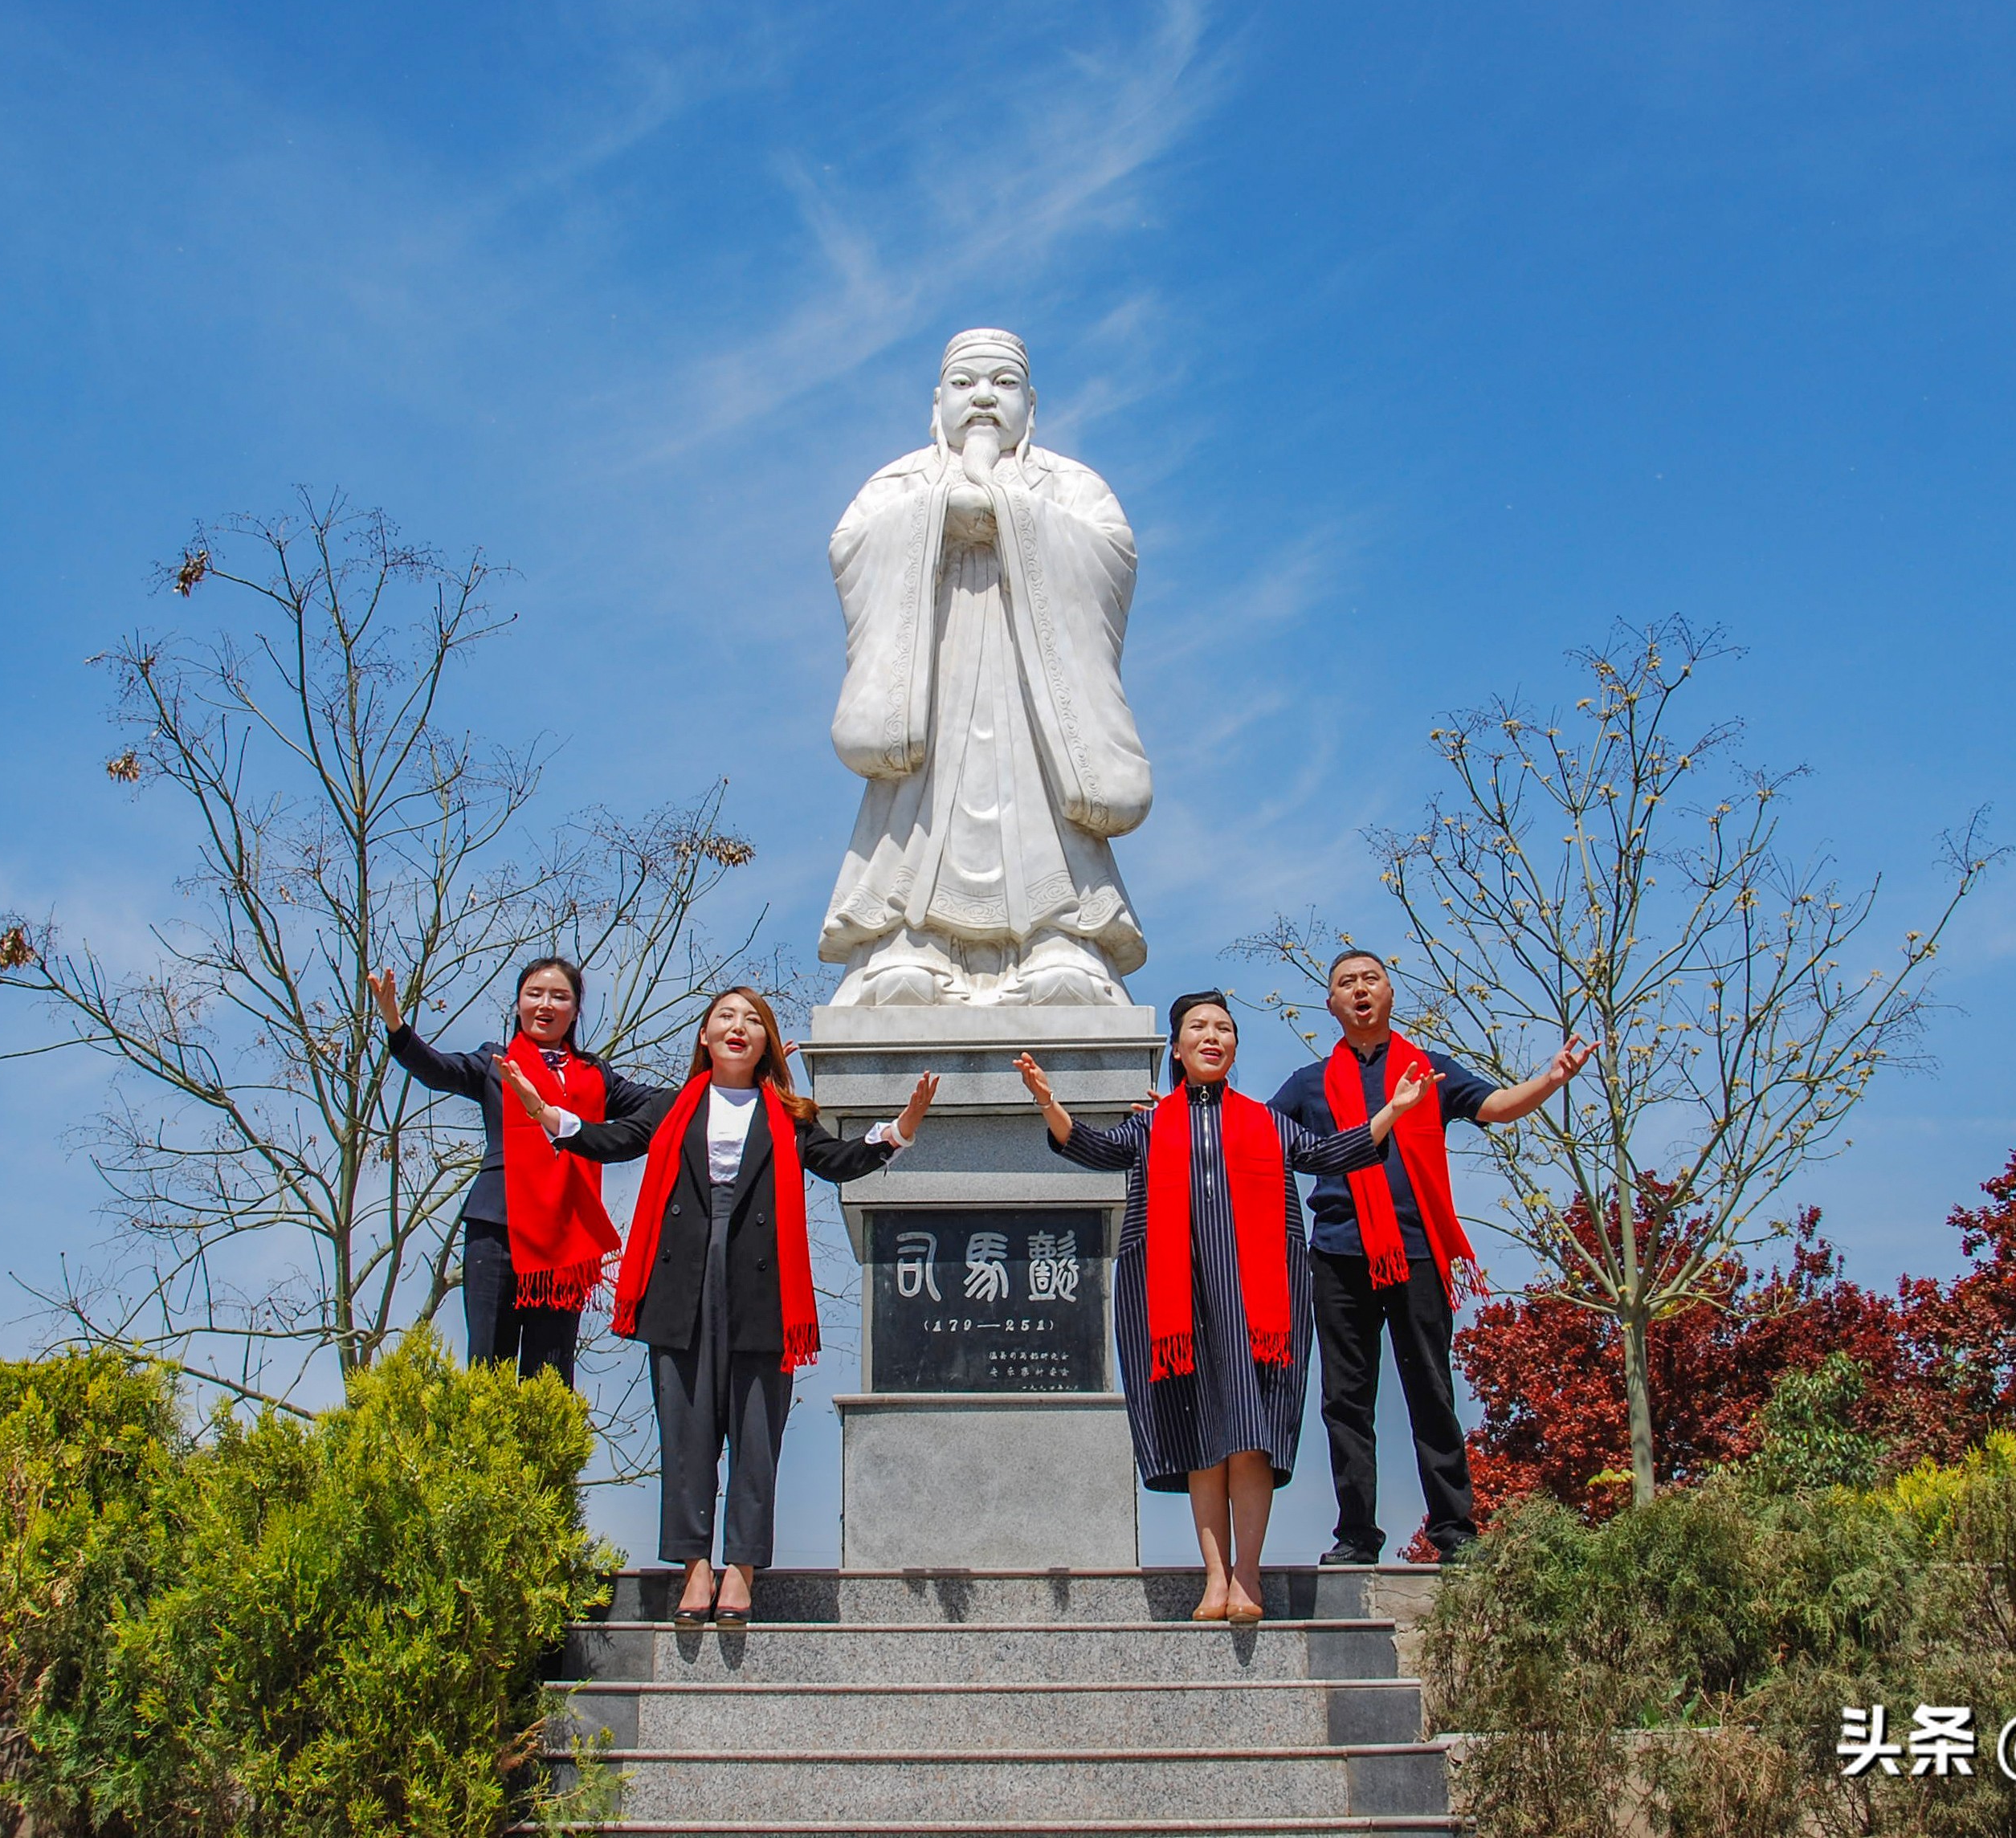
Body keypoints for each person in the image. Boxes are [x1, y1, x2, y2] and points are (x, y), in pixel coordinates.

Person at [508, 985, 940, 1624]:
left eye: (751, 1021)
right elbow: (612, 1140)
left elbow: (836, 1161)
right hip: (679, 1281)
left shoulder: (788, 1115)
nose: (737, 1028)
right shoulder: (671, 1106)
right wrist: (548, 1114)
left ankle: (740, 1567)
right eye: (724, 1018)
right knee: (684, 1432)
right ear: (705, 1038)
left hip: (762, 1283)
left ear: (765, 1041)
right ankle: (693, 1566)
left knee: (756, 1432)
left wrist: (899, 1130)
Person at [1015, 990, 1431, 1623]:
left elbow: (1326, 1156)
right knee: (1203, 1438)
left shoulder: (1266, 1121)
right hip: (1177, 1301)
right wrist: (1048, 1103)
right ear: (1176, 1051)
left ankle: (1247, 1576)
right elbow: (1092, 1148)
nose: (1213, 1037)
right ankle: (1214, 1580)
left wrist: (1394, 1111)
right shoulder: (1153, 1124)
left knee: (1251, 1438)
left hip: (1259, 1303)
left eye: (1224, 1029)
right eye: (1198, 1028)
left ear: (1233, 1047)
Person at [818, 328, 1152, 1007]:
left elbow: (1111, 558)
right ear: (933, 403)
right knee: (922, 803)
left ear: (1033, 404)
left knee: (1039, 802)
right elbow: (852, 549)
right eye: (964, 383)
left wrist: (1013, 516)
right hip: (930, 683)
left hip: (1037, 695)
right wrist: (935, 517)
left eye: (1003, 384)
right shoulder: (901, 483)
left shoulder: (1070, 486)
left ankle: (1059, 940)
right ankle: (908, 945)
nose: (982, 398)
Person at [1265, 950, 1598, 1564]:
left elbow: (1494, 1106)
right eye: (1346, 983)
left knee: (1430, 1391)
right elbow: (1254, 1140)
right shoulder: (1308, 1084)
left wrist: (1551, 1079)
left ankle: (1453, 1531)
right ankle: (1356, 1535)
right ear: (1331, 1005)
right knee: (1345, 1401)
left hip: (1415, 1252)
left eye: (1370, 979)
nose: (1359, 990)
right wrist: (1177, 1115)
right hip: (1338, 1255)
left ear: (1389, 993)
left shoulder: (1427, 1071)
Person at [370, 957, 663, 1390]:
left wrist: (731, 1079)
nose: (546, 1004)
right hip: (498, 1227)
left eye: (560, 996)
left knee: (550, 1374)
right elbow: (437, 1069)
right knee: (490, 1363)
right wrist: (396, 1026)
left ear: (576, 1010)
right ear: (518, 1004)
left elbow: (660, 1104)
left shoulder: (594, 1075)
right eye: (535, 994)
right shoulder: (496, 1062)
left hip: (566, 1238)